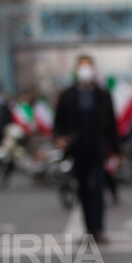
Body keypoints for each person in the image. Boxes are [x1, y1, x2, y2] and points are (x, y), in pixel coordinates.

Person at [53, 55, 120, 243]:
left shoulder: (103, 95)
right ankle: (89, 229)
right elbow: (59, 123)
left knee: (98, 189)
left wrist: (116, 151)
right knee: (82, 190)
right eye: (81, 67)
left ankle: (98, 229)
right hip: (78, 150)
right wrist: (60, 138)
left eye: (87, 66)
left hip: (98, 149)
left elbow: (111, 125)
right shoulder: (67, 95)